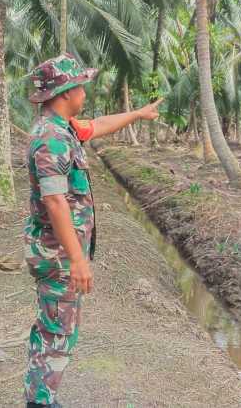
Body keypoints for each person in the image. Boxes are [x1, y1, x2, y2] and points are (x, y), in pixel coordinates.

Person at [23, 54, 163, 407]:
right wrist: (77, 260)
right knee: (58, 330)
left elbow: (98, 125)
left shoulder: (64, 127)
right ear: (66, 91)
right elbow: (55, 203)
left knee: (54, 327)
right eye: (81, 85)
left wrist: (139, 113)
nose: (85, 91)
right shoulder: (51, 138)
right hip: (57, 255)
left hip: (59, 252)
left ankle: (41, 396)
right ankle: (40, 401)